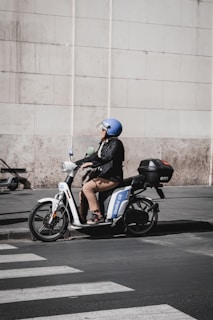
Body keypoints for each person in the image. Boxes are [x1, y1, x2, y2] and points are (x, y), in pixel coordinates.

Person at [76, 118, 125, 225]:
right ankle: (81, 218)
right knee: (82, 192)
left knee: (87, 188)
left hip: (112, 178)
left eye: (103, 129)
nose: (101, 131)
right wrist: (77, 163)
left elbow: (107, 157)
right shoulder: (105, 143)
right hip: (104, 176)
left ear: (110, 131)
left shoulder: (116, 144)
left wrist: (92, 164)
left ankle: (98, 215)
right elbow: (95, 156)